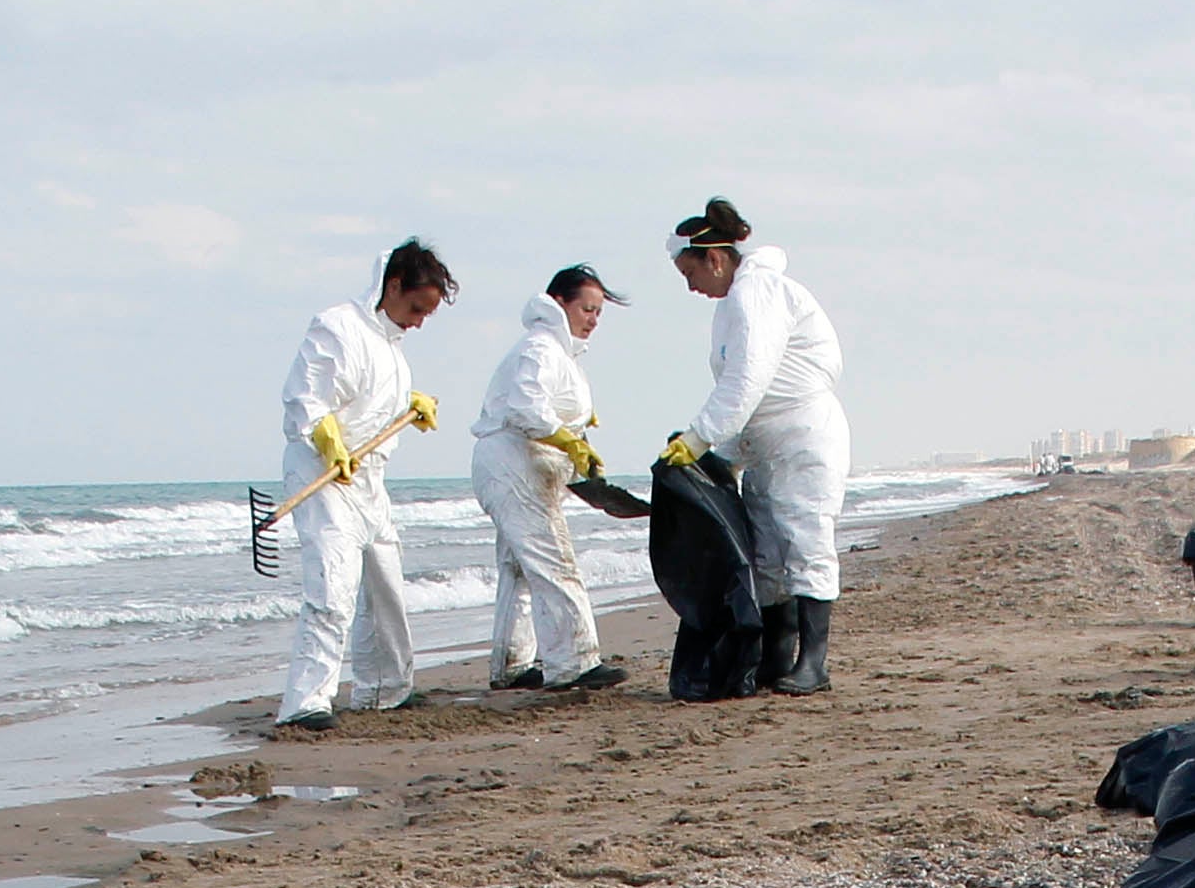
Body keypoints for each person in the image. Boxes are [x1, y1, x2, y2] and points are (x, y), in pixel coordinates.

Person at [659, 199, 847, 695]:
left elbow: (748, 379)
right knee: (767, 555)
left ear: (715, 259)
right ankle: (775, 659)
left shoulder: (759, 292)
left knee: (805, 542)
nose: (690, 285)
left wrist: (700, 437)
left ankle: (815, 664)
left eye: (689, 271)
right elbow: (746, 392)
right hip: (766, 444)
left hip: (802, 437)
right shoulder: (735, 305)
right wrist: (724, 456)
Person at [272, 240, 450, 731]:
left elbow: (374, 401)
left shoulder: (394, 351)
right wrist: (326, 437)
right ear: (393, 286)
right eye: (416, 308)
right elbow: (306, 398)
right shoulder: (337, 326)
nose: (418, 321)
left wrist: (409, 406)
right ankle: (305, 702)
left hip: (369, 480)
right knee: (333, 586)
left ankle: (385, 691)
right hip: (323, 474)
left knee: (386, 585)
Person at [470, 266, 626, 692]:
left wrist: (575, 428)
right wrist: (567, 439)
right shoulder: (541, 348)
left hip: (518, 465)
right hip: (514, 464)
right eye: (587, 309)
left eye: (598, 313)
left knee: (520, 568)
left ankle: (512, 665)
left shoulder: (559, 354)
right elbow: (526, 408)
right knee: (554, 560)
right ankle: (573, 663)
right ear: (559, 303)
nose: (593, 319)